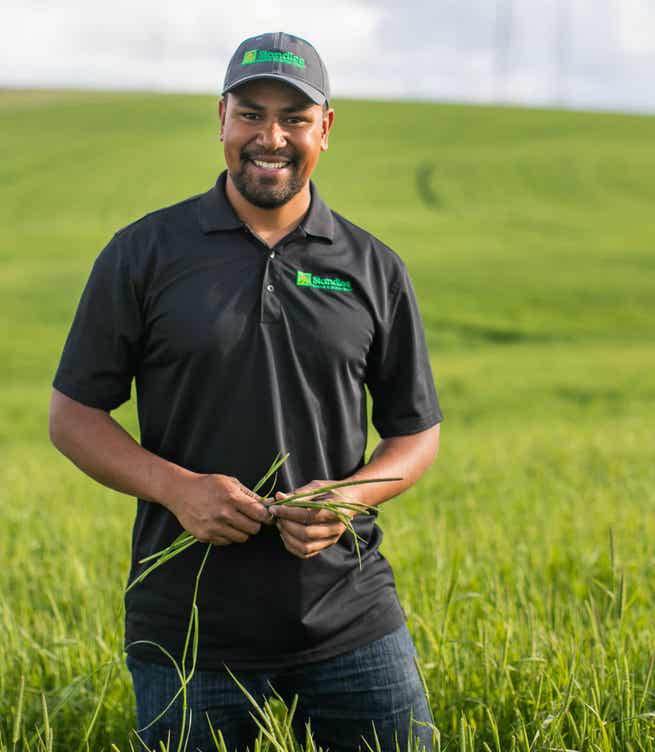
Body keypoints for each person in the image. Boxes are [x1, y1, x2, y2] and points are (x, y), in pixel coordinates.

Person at [49, 31, 443, 752]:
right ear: (221, 120)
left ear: (325, 128)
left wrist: (348, 498)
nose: (271, 137)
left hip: (350, 618)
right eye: (251, 113)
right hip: (187, 629)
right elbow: (73, 415)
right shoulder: (146, 252)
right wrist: (178, 489)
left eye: (293, 117)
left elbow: (415, 432)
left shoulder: (371, 266)